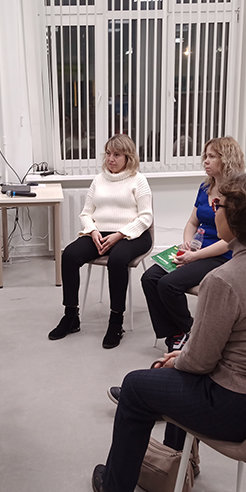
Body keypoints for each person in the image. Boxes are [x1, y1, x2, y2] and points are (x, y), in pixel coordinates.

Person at [93, 172, 246, 492]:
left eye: (218, 205)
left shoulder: (225, 279)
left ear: (237, 218)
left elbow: (199, 363)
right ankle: (177, 464)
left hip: (240, 409)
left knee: (136, 386)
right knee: (172, 375)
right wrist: (184, 357)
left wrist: (177, 359)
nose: (213, 210)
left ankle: (117, 490)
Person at [49, 134, 153, 349]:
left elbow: (146, 218)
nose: (110, 159)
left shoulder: (138, 180)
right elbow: (86, 213)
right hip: (100, 233)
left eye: (117, 155)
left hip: (133, 235)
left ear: (128, 157)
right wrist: (93, 231)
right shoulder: (99, 179)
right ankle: (71, 316)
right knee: (69, 255)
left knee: (117, 260)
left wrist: (120, 234)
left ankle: (116, 321)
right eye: (108, 153)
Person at [141, 136, 245, 351]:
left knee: (169, 284)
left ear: (227, 159)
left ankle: (192, 333)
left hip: (222, 255)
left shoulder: (238, 193)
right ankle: (176, 333)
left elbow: (231, 240)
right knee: (149, 278)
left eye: (212, 156)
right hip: (196, 250)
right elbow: (192, 222)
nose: (205, 161)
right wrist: (188, 243)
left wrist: (195, 256)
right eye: (205, 156)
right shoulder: (205, 187)